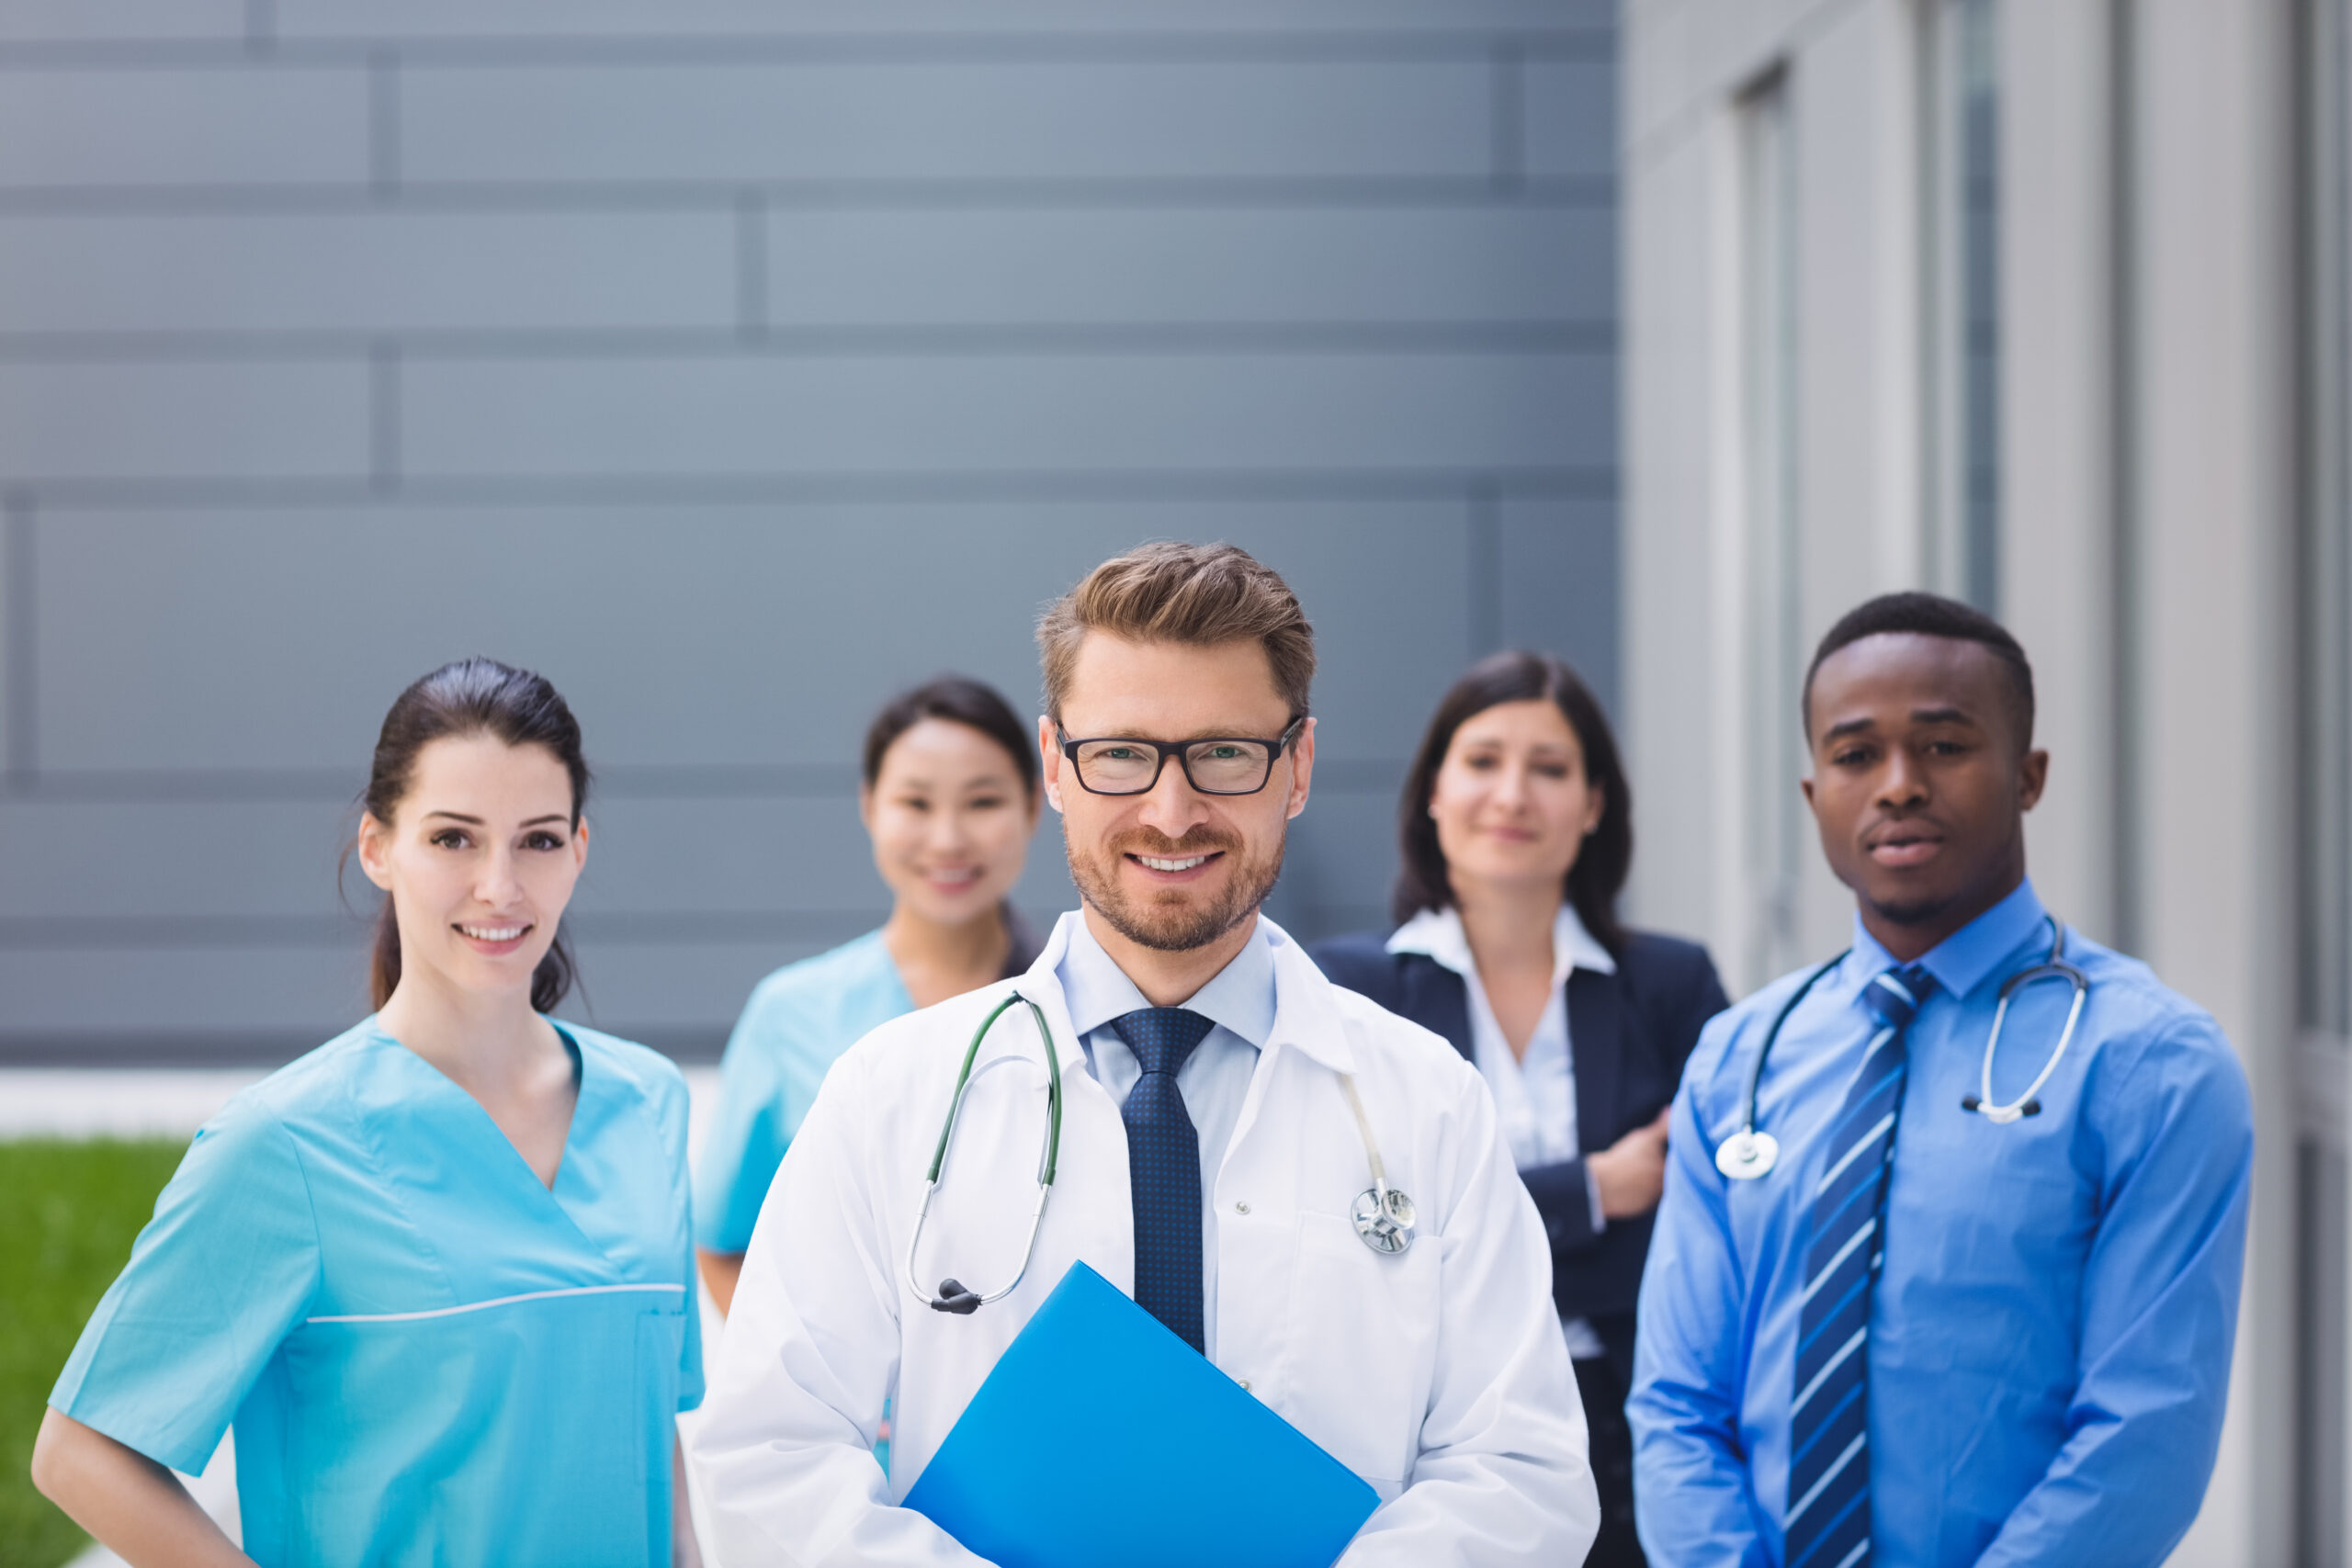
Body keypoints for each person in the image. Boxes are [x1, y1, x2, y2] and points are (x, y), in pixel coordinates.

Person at [692, 542, 1598, 1563]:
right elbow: (770, 1452)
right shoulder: (891, 1094)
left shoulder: (1427, 1103)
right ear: (1054, 766)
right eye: (1122, 754)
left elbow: (1523, 1472)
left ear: (1296, 767)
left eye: (1224, 754)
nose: (1172, 812)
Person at [31, 658, 704, 1568]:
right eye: (453, 839)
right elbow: (82, 1453)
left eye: (537, 840)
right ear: (379, 847)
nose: (501, 886)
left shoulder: (650, 1103)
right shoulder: (287, 1144)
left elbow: (646, 1433)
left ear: (579, 850)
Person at [1630, 593, 2253, 1567]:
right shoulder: (1738, 1056)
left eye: (1944, 746)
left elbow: (2147, 1429)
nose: (1897, 786)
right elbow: (1676, 1403)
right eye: (1853, 755)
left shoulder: (2152, 1065)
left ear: (2028, 776)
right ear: (1812, 795)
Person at [1312, 649, 1728, 1568]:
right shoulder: (1348, 989)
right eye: (1483, 761)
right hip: (1428, 1433)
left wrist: (1468, 1234)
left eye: (1549, 769)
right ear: (1432, 791)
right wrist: (1594, 1191)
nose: (1512, 794)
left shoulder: (1669, 985)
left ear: (1592, 805)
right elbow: (1352, 1231)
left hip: (1630, 1416)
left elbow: (1708, 1220)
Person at [695, 675, 1042, 1314]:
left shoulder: (1080, 1002)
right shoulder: (790, 1013)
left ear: (1033, 806)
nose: (947, 838)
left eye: (983, 801)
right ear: (869, 805)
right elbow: (724, 1243)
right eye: (915, 802)